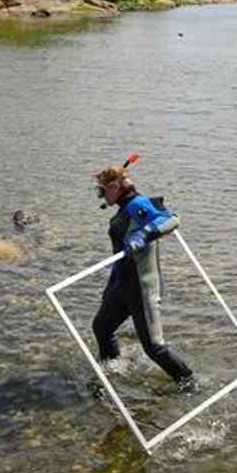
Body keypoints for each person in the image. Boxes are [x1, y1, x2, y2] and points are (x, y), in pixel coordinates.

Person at [91, 164, 195, 390]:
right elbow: (119, 255)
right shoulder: (123, 208)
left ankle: (189, 384)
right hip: (121, 285)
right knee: (101, 327)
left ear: (115, 186)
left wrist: (144, 234)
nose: (100, 195)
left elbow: (172, 219)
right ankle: (112, 371)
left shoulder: (138, 204)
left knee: (154, 348)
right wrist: (111, 286)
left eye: (102, 190)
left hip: (141, 287)